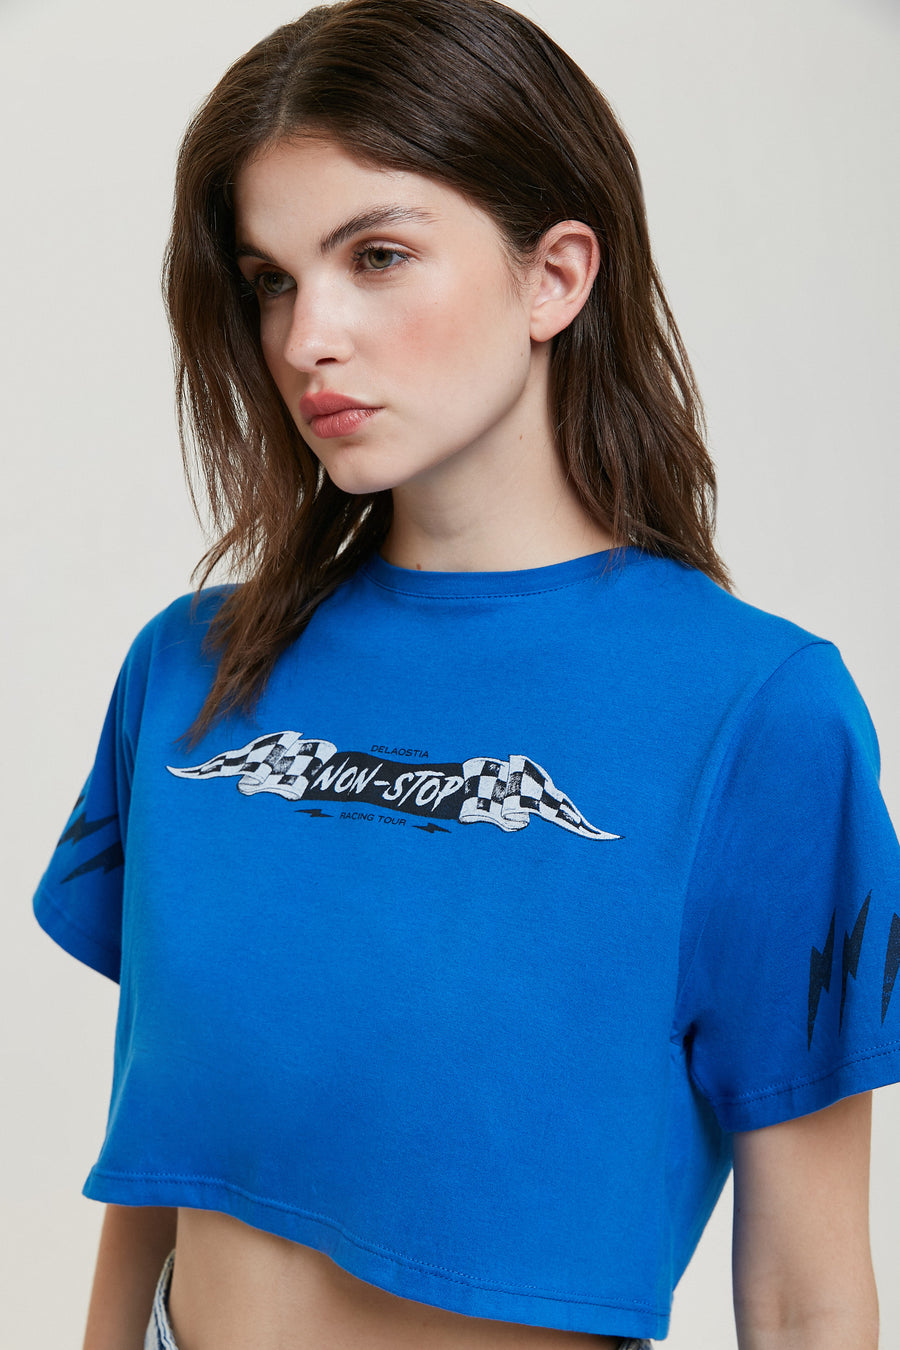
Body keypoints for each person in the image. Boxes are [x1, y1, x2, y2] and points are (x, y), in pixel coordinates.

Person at [31, 1, 900, 1347]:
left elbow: (804, 1292)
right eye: (271, 279)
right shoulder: (190, 669)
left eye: (376, 256)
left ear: (555, 277)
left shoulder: (754, 715)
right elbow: (161, 1165)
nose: (307, 336)